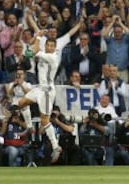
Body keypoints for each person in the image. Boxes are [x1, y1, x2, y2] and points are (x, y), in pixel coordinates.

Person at [16, 20, 83, 163]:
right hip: (39, 88)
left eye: (52, 45)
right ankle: (29, 128)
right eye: (48, 45)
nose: (50, 47)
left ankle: (56, 146)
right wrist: (37, 38)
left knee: (44, 120)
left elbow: (31, 51)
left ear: (55, 48)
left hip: (47, 91)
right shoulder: (43, 52)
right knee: (20, 103)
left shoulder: (53, 57)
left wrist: (38, 36)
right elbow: (29, 53)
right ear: (46, 46)